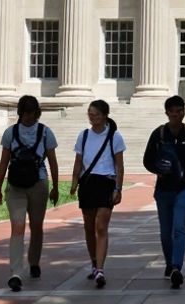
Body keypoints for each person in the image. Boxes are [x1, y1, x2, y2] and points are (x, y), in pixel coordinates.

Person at [0, 95, 61, 292]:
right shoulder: (10, 133)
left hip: (38, 183)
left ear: (37, 113)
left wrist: (55, 187)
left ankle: (34, 261)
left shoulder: (45, 132)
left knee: (37, 226)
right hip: (15, 185)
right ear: (20, 112)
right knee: (18, 226)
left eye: (31, 113)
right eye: (25, 112)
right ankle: (16, 272)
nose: (28, 117)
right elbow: (4, 161)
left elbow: (53, 162)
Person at [141, 95, 185, 290]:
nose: (176, 115)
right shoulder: (158, 134)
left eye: (180, 111)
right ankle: (169, 263)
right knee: (165, 232)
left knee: (179, 228)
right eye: (173, 112)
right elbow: (147, 160)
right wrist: (158, 170)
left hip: (184, 188)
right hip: (163, 190)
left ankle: (177, 267)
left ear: (184, 112)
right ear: (167, 113)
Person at [69, 99, 124, 289]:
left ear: (105, 115)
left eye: (96, 114)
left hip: (106, 182)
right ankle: (94, 262)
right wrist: (74, 182)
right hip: (88, 182)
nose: (92, 118)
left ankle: (100, 269)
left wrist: (118, 188)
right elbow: (78, 161)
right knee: (89, 226)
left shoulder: (114, 137)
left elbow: (119, 165)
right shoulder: (83, 136)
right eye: (90, 114)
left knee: (101, 226)